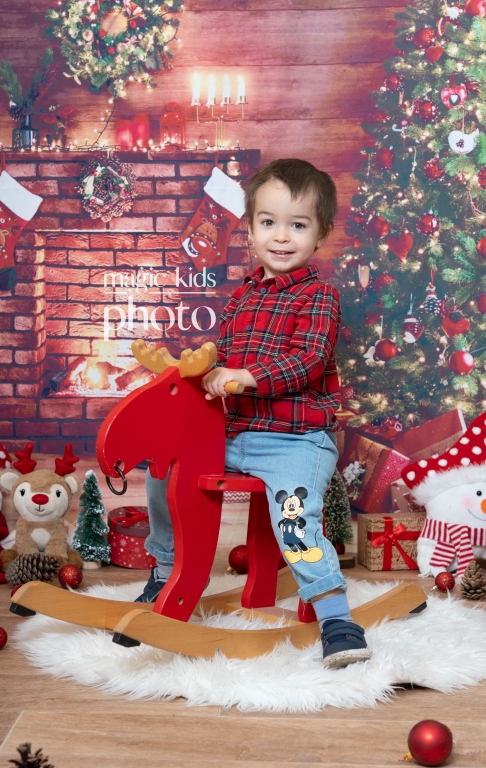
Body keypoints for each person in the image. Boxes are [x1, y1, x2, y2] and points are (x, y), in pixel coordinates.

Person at [134, 158, 372, 669]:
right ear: (249, 229)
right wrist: (197, 371)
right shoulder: (241, 297)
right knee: (165, 468)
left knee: (295, 517)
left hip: (294, 441)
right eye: (268, 222)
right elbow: (222, 361)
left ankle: (336, 618)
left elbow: (308, 360)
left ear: (320, 234)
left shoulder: (319, 297)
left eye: (298, 225)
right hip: (235, 433)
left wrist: (246, 376)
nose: (281, 237)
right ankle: (167, 572)